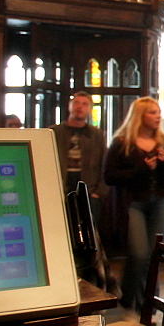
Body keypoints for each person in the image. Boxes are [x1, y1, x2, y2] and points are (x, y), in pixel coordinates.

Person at [103, 97, 164, 311]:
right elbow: (109, 176)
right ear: (140, 116)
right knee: (139, 254)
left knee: (153, 256)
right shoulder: (122, 143)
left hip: (160, 203)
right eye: (152, 112)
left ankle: (146, 305)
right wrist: (141, 168)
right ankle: (128, 297)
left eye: (158, 112)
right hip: (134, 204)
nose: (158, 116)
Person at [50, 90, 109, 225]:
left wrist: (99, 192)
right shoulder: (55, 132)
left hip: (88, 189)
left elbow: (103, 163)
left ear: (89, 109)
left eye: (84, 104)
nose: (80, 107)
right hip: (60, 187)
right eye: (76, 103)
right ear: (69, 106)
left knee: (88, 229)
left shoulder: (96, 134)